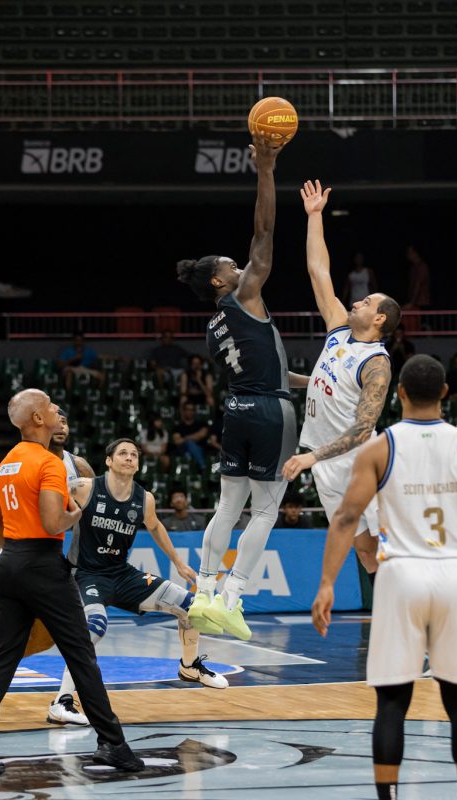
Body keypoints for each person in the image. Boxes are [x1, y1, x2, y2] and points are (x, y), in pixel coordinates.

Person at [311, 354, 457, 800]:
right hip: (455, 574)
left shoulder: (379, 448)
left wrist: (327, 582)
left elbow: (347, 517)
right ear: (445, 393)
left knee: (392, 703)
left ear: (401, 393)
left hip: (400, 574)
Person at [0, 389, 142, 775]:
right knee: (81, 655)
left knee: (2, 659)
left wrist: (17, 553)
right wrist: (77, 513)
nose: (58, 411)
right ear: (39, 418)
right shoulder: (49, 463)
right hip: (43, 564)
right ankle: (113, 744)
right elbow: (55, 520)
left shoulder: (5, 464)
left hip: (10, 562)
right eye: (53, 407)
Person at [175, 131, 298, 642]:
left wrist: (318, 381)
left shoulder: (213, 327)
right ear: (220, 282)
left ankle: (204, 591)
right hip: (271, 412)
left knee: (228, 506)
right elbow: (264, 233)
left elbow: (265, 368)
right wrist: (266, 169)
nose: (241, 265)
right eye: (231, 265)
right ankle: (232, 599)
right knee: (265, 509)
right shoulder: (246, 294)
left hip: (239, 409)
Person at [48, 438, 227, 726]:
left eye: (134, 454)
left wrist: (178, 563)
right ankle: (61, 701)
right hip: (86, 574)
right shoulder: (84, 488)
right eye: (123, 453)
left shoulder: (145, 499)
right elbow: (43, 498)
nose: (130, 458)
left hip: (122, 574)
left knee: (191, 607)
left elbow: (155, 526)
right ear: (109, 461)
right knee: (95, 628)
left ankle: (189, 666)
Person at [0, 413, 93, 723]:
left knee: (40, 636)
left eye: (65, 420)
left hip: (59, 562)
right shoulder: (23, 461)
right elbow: (7, 508)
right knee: (12, 630)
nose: (61, 424)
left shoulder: (79, 467)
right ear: (40, 422)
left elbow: (90, 510)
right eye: (56, 417)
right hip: (28, 557)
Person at [280, 179, 400, 583]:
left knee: (389, 548)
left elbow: (364, 427)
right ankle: (393, 615)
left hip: (359, 461)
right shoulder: (338, 330)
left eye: (367, 301)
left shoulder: (376, 363)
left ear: (379, 318)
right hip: (326, 464)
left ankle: (425, 613)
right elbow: (318, 271)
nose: (357, 300)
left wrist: (311, 457)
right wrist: (314, 217)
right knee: (365, 552)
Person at [172, 403, 210, 470]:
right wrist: (194, 436)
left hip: (200, 450)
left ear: (194, 412)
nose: (190, 412)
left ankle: (193, 463)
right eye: (188, 409)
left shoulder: (201, 424)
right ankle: (202, 466)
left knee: (190, 444)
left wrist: (185, 439)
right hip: (183, 451)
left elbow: (202, 435)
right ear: (184, 411)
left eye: (192, 410)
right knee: (188, 445)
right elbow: (177, 441)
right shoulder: (178, 427)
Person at [403, 244, 431, 311]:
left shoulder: (422, 267)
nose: (408, 255)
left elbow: (418, 285)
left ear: (416, 253)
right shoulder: (413, 268)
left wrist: (412, 303)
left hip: (422, 303)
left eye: (410, 252)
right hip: (415, 302)